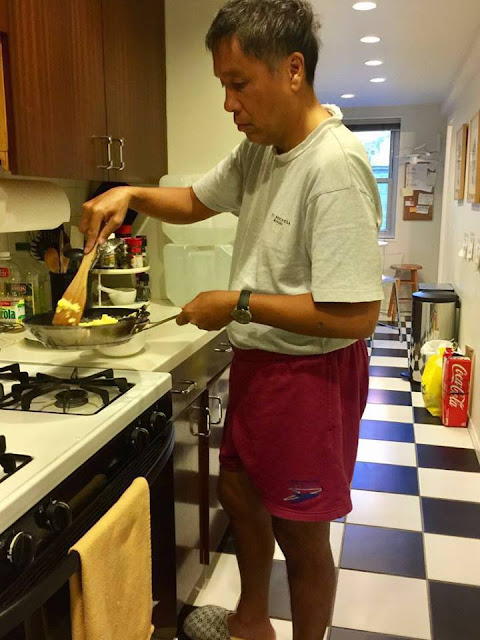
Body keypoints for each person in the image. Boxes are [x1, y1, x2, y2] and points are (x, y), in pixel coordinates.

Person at [79, 1, 383, 638]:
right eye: (223, 84)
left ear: (293, 70)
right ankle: (251, 622)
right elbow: (194, 201)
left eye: (238, 84)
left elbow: (356, 314)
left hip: (309, 376)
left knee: (301, 534)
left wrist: (234, 302)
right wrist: (130, 192)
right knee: (241, 497)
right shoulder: (262, 150)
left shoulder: (334, 164)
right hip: (258, 363)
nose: (228, 104)